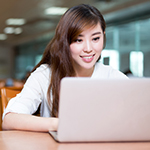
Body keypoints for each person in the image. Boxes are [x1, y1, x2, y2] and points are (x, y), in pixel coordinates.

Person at [2, 4, 128, 132]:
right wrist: (59, 124)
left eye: (96, 38)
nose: (89, 48)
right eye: (79, 40)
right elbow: (9, 120)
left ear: (103, 35)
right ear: (65, 42)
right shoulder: (45, 75)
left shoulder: (113, 77)